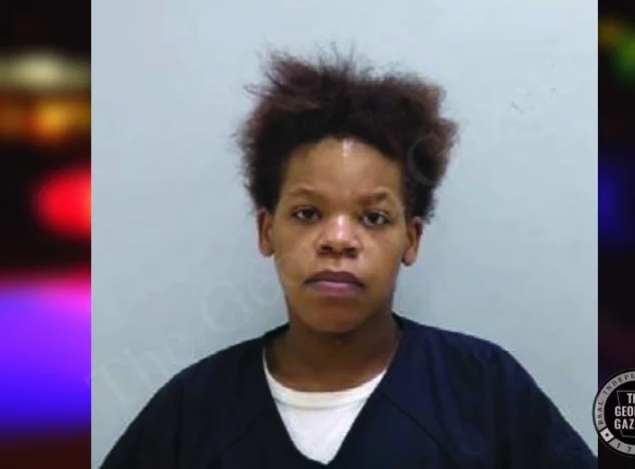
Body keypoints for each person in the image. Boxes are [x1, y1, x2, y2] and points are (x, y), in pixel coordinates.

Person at [100, 49, 596, 468]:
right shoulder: (193, 412)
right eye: (308, 213)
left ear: (411, 239)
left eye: (374, 218)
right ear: (267, 231)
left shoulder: (482, 389)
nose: (338, 240)